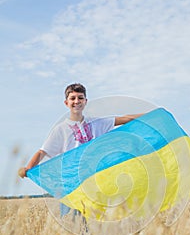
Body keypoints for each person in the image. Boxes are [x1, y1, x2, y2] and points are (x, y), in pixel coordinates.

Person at [18, 83, 143, 216]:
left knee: (97, 221)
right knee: (71, 220)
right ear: (66, 102)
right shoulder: (61, 129)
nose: (76, 101)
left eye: (80, 98)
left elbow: (125, 119)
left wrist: (153, 114)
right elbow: (42, 152)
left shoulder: (97, 123)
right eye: (73, 98)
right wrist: (28, 168)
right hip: (70, 184)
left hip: (93, 181)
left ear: (85, 101)